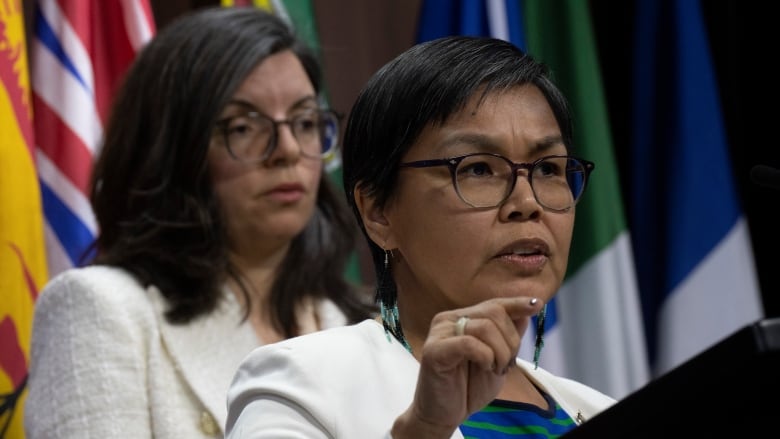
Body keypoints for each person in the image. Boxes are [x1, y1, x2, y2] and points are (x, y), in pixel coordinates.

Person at [225, 35, 617, 438]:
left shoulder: (601, 409)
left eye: (549, 169)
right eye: (478, 168)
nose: (526, 201)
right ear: (378, 212)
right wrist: (425, 429)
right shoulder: (301, 386)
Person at [24, 7, 375, 439]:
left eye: (304, 121)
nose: (287, 149)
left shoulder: (364, 323)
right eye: (245, 127)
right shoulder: (100, 310)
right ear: (172, 150)